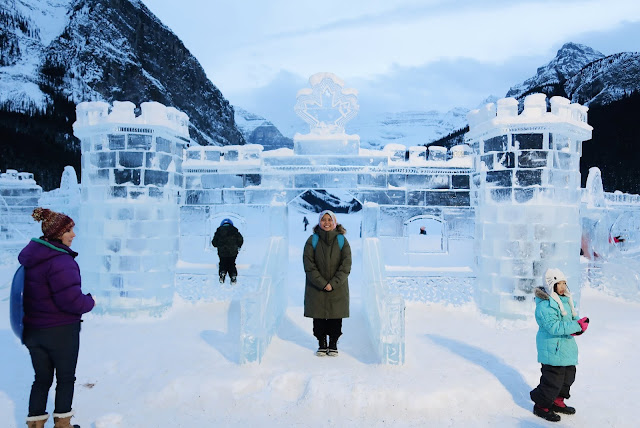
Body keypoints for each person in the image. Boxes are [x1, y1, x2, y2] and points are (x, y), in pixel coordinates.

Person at [19, 208, 95, 428]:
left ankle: (35, 425)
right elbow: (72, 302)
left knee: (41, 379)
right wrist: (91, 301)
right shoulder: (61, 262)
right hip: (60, 331)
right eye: (69, 230)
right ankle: (63, 425)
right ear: (57, 233)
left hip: (33, 330)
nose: (73, 235)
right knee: (65, 378)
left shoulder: (33, 258)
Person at [529, 268, 589, 422]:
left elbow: (570, 320)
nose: (563, 287)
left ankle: (557, 401)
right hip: (552, 349)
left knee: (568, 376)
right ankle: (541, 405)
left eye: (564, 283)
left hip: (566, 348)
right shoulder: (545, 306)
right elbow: (554, 327)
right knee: (553, 379)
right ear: (551, 286)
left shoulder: (566, 301)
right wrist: (576, 326)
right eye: (558, 283)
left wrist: (580, 326)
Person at [303, 210, 351, 356]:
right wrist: (322, 283)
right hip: (316, 287)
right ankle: (322, 343)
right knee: (318, 318)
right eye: (323, 220)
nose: (326, 222)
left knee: (335, 317)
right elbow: (309, 265)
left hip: (338, 287)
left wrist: (333, 283)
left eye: (329, 220)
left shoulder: (342, 240)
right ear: (319, 222)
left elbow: (346, 265)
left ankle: (333, 344)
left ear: (334, 222)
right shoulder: (312, 240)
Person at [211, 218, 243, 284]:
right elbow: (240, 239)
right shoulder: (235, 230)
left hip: (222, 251)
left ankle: (222, 273)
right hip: (233, 251)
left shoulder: (219, 231)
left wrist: (219, 244)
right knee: (232, 263)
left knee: (223, 263)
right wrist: (238, 246)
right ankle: (233, 275)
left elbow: (214, 243)